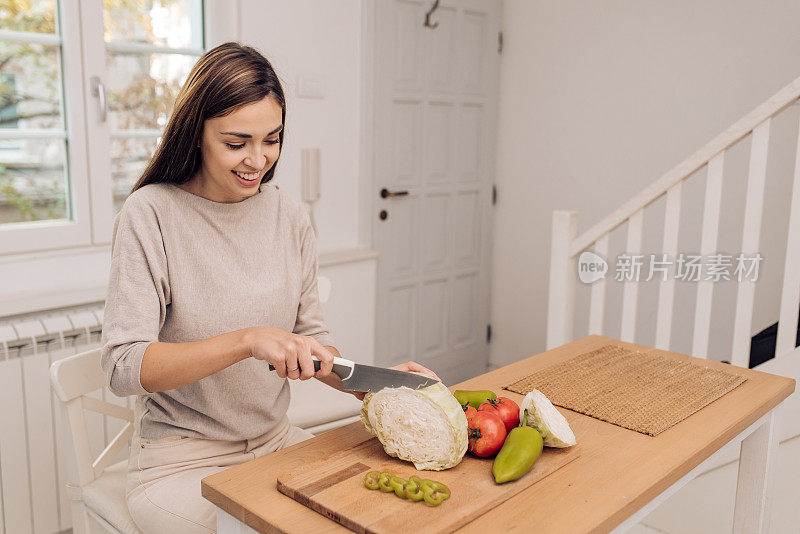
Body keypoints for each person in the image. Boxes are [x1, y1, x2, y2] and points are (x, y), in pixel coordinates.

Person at [100, 42, 441, 534]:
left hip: (275, 443)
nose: (257, 160)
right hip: (178, 463)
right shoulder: (150, 214)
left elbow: (312, 343)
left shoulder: (288, 214)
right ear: (195, 133)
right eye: (236, 143)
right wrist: (246, 340)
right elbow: (122, 366)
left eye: (272, 139)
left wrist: (376, 382)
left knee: (365, 514)